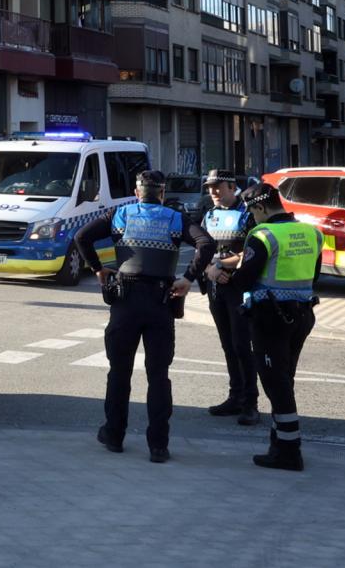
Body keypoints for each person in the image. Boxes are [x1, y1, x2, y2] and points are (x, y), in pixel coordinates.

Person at [73, 169, 216, 464]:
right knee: (158, 376)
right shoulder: (175, 218)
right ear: (162, 193)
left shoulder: (120, 214)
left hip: (125, 301)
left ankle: (114, 435)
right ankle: (158, 446)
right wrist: (188, 278)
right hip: (160, 301)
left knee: (119, 371)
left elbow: (82, 236)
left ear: (137, 193)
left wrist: (98, 269)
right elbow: (207, 244)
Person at [217, 182, 320, 471]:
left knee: (276, 383)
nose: (251, 217)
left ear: (260, 207)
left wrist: (223, 274)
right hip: (302, 314)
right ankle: (280, 442)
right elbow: (316, 274)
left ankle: (289, 451)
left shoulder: (263, 235)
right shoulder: (312, 232)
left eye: (252, 211)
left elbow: (245, 279)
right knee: (285, 378)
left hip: (270, 317)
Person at [197, 169, 260, 426]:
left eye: (217, 186)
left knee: (242, 345)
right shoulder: (209, 216)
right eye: (210, 187)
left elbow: (253, 252)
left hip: (239, 287)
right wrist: (209, 270)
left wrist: (222, 267)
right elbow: (201, 250)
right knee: (228, 345)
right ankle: (235, 397)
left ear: (231, 185)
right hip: (215, 287)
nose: (213, 191)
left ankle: (250, 404)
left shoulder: (247, 214)